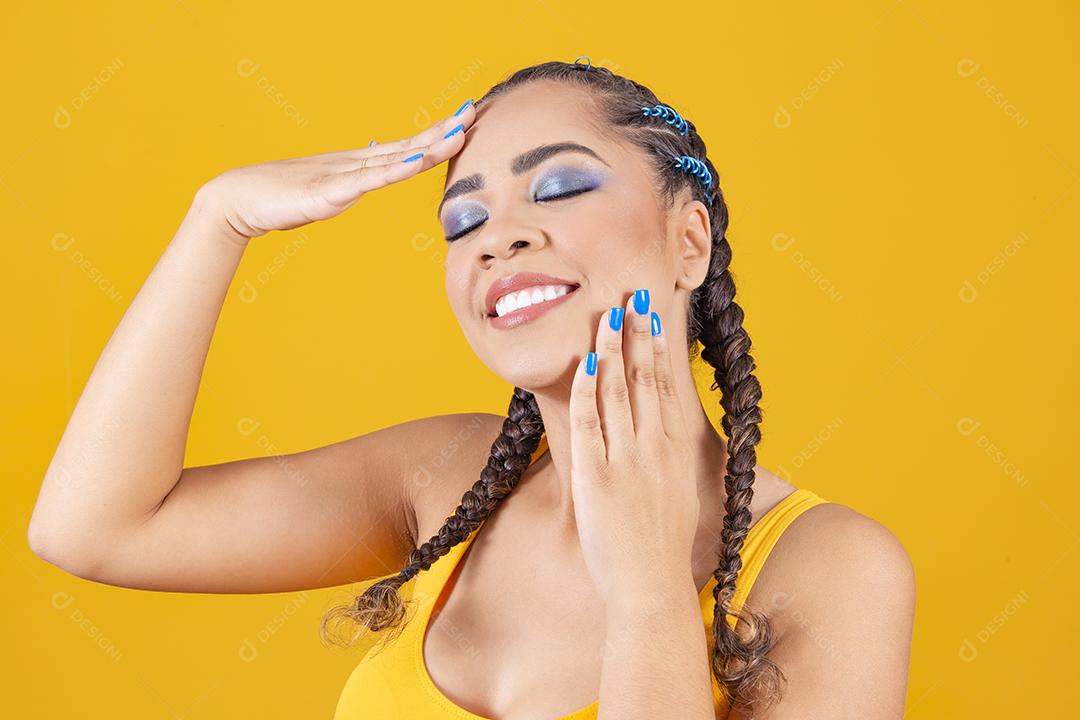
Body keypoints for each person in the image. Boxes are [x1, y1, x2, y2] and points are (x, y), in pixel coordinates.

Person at [29, 58, 915, 719]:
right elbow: (95, 529)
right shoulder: (441, 478)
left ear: (689, 243)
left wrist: (646, 585)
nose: (498, 238)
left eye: (560, 185)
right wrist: (217, 218)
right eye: (465, 220)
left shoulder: (832, 567)